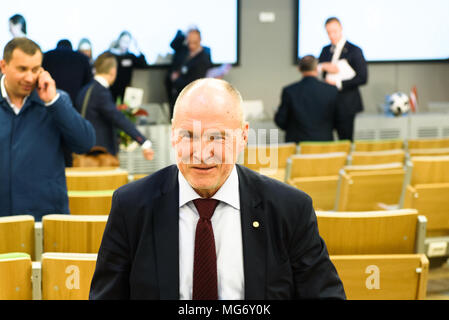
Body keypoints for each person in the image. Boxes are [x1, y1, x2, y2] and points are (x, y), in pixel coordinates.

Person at [89, 78, 345, 299]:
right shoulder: (131, 207)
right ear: (172, 135)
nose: (201, 154)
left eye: (217, 137)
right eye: (188, 135)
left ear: (243, 137)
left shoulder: (289, 209)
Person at [0, 37, 95, 221]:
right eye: (22, 69)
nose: (29, 77)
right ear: (3, 66)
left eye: (35, 69)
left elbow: (85, 143)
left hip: (46, 218)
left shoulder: (56, 102)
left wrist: (53, 102)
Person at [75, 52, 154, 160]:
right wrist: (144, 142)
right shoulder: (101, 93)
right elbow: (119, 119)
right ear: (113, 71)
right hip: (99, 155)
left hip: (83, 152)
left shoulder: (84, 90)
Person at [318, 17, 368, 141]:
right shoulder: (325, 50)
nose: (332, 35)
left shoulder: (354, 51)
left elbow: (363, 77)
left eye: (334, 31)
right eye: (329, 32)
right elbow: (319, 71)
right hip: (328, 103)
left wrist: (338, 82)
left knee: (345, 139)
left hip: (346, 104)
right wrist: (324, 67)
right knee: (326, 139)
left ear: (341, 29)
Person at [274, 55, 338, 143]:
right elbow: (340, 120)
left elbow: (281, 121)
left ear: (299, 68)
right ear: (316, 68)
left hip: (297, 146)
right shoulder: (331, 90)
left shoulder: (290, 91)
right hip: (324, 146)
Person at [166, 28, 212, 119]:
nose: (191, 45)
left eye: (194, 42)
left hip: (192, 98)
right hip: (176, 95)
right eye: (189, 42)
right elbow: (172, 45)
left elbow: (195, 82)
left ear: (200, 40)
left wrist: (177, 79)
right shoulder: (184, 51)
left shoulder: (203, 58)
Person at [108, 31, 147, 103]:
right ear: (119, 40)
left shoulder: (130, 56)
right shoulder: (110, 54)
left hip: (125, 89)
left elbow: (143, 64)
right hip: (111, 88)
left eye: (127, 42)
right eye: (123, 41)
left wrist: (138, 48)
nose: (125, 44)